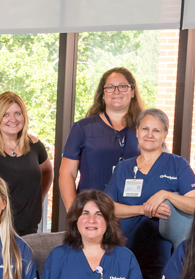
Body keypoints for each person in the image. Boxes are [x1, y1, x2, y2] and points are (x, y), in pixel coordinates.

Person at [106, 108, 195, 279]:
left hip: (158, 250)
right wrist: (143, 209)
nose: (149, 135)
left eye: (156, 130)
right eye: (145, 129)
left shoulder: (177, 165)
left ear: (165, 134)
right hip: (122, 247)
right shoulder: (124, 168)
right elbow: (108, 208)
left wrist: (167, 195)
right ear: (137, 132)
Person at [58, 68, 142, 211]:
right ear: (102, 94)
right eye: (110, 87)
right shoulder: (83, 127)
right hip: (92, 213)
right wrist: (73, 212)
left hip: (135, 212)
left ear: (132, 92)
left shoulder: (144, 128)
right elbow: (67, 173)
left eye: (123, 86)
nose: (116, 91)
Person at [0, 92, 53, 235]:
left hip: (31, 230)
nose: (13, 119)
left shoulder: (34, 145)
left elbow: (48, 172)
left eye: (17, 113)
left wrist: (39, 201)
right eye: (5, 114)